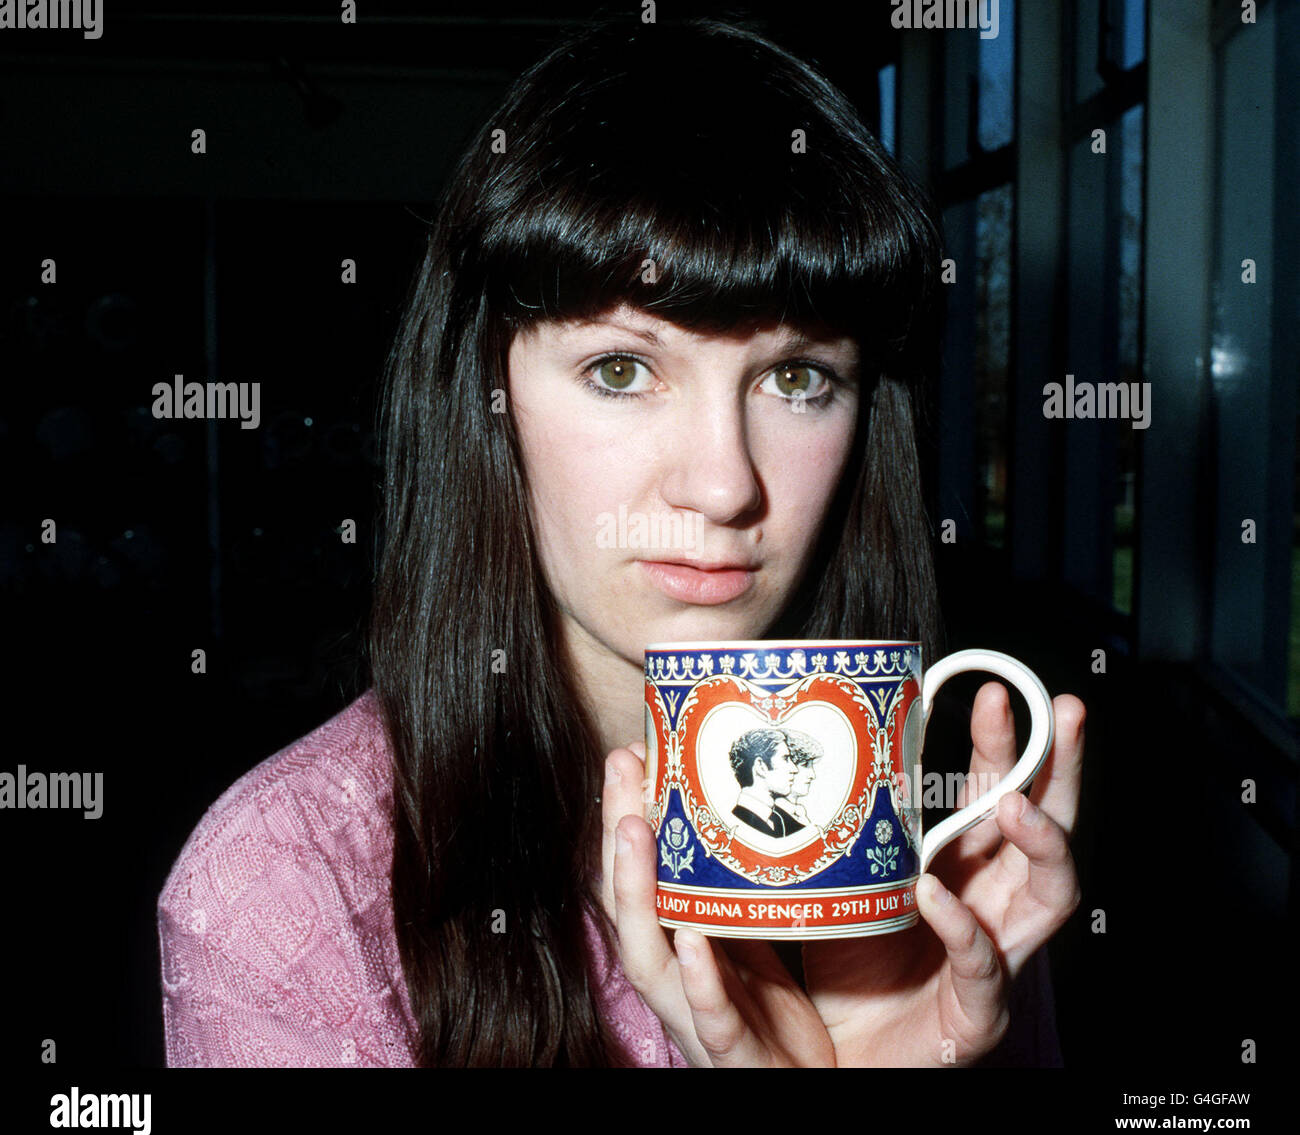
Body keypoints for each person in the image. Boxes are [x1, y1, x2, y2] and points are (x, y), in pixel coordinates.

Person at [157, 13, 1084, 1068]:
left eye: (796, 377)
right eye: (620, 370)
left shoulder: (915, 862)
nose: (724, 482)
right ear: (486, 400)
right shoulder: (287, 888)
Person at [729, 728, 821, 837]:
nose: (794, 769)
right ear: (761, 766)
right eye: (785, 759)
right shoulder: (741, 820)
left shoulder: (775, 820)